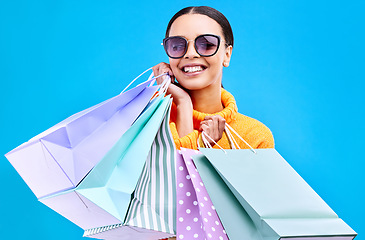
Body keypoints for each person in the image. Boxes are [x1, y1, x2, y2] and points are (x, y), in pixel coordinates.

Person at [153, 6, 274, 150]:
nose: (190, 54)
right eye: (177, 46)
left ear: (227, 55)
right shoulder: (151, 123)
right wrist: (183, 104)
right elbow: (171, 171)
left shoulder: (253, 137)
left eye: (207, 44)